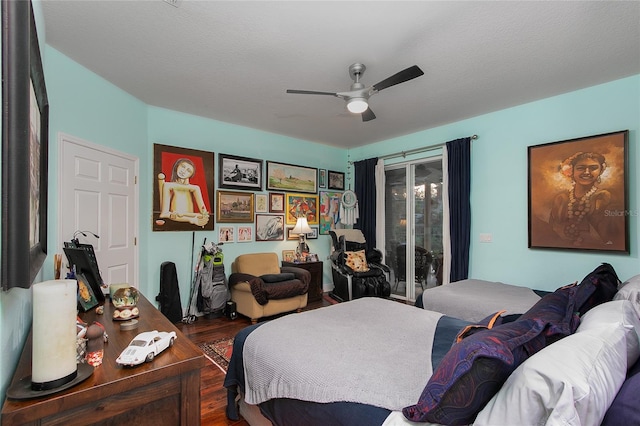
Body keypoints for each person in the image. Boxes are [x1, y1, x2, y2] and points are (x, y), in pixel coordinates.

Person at [548, 151, 613, 247]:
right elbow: (551, 232)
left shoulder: (602, 197)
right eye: (581, 168)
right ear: (572, 170)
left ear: (601, 170)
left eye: (593, 168)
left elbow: (608, 236)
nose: (587, 172)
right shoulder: (561, 199)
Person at [160, 158, 210, 227]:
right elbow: (164, 214)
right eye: (183, 166)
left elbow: (204, 214)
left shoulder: (195, 188)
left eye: (188, 171)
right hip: (173, 224)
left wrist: (182, 214)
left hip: (189, 224)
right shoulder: (168, 185)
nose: (183, 171)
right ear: (177, 166)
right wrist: (192, 220)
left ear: (191, 175)